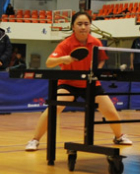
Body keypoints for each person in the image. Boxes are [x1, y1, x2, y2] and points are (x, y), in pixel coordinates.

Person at [25, 11, 132, 151]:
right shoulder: (66, 44)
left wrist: (96, 69)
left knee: (110, 111)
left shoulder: (96, 42)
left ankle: (119, 137)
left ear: (90, 26)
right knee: (54, 108)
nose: (83, 27)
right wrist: (64, 59)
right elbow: (49, 62)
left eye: (86, 24)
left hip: (90, 83)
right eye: (79, 24)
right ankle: (35, 140)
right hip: (68, 83)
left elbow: (102, 59)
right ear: (73, 27)